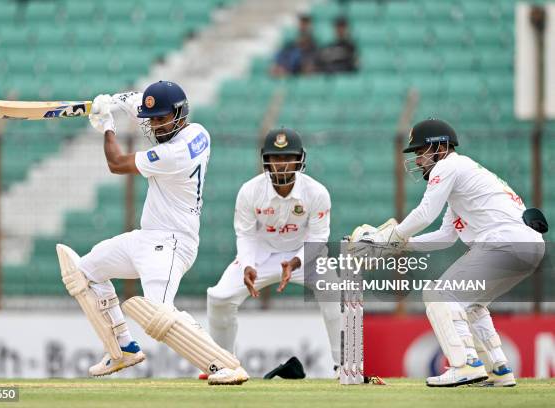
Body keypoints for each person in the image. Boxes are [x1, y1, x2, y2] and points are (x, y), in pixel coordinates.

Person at [56, 80, 248, 385]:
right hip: (147, 237)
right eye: (153, 120)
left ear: (179, 114)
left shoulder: (176, 154)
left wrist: (107, 126)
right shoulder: (199, 132)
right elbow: (138, 102)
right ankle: (122, 348)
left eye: (161, 119)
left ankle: (224, 363)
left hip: (172, 243)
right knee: (85, 273)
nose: (156, 126)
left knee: (158, 313)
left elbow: (117, 164)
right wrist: (112, 101)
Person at [362, 118, 546, 387]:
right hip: (527, 247)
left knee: (440, 294)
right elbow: (446, 237)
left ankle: (465, 364)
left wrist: (387, 238)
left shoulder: (448, 166)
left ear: (439, 148)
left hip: (504, 242)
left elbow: (425, 214)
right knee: (472, 303)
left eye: (421, 152)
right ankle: (499, 368)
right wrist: (402, 244)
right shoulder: (463, 175)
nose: (419, 160)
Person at [206, 128, 341, 376]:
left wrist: (296, 262)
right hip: (260, 255)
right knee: (219, 298)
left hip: (304, 255)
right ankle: (222, 365)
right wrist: (247, 264)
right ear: (266, 160)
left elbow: (319, 238)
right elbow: (245, 234)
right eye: (276, 158)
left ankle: (345, 365)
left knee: (335, 291)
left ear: (300, 159)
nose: (282, 165)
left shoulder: (317, 192)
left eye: (288, 158)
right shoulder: (250, 191)